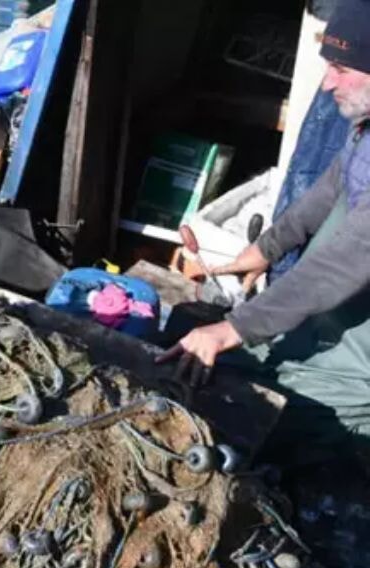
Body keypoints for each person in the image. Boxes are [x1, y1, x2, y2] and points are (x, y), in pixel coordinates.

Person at [157, 0, 370, 441]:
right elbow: (331, 186)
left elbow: (342, 263)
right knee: (194, 339)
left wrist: (233, 328)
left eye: (343, 70)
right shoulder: (364, 127)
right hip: (344, 306)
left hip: (361, 344)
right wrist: (266, 248)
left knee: (278, 411)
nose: (328, 84)